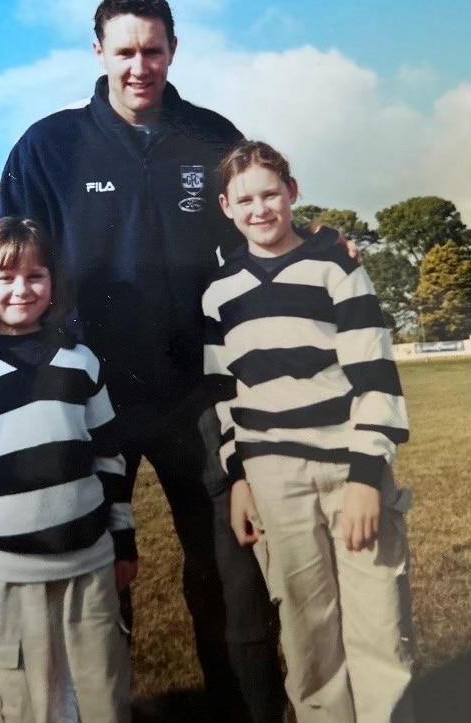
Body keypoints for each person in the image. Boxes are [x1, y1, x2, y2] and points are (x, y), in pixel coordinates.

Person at [0, 0, 288, 723]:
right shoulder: (50, 144)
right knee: (99, 578)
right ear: (97, 49)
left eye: (154, 50)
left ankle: (248, 712)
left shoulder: (212, 137)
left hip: (199, 394)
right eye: (126, 50)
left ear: (173, 50)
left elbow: (265, 234)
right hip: (86, 399)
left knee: (231, 575)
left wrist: (318, 252)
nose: (141, 66)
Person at [202, 140, 416, 723]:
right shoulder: (219, 294)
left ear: (292, 193)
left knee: (379, 629)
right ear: (225, 206)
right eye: (245, 199)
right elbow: (225, 399)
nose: (260, 208)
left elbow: (375, 376)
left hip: (349, 469)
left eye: (271, 193)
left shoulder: (336, 268)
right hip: (275, 480)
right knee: (306, 637)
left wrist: (367, 477)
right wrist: (240, 479)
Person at [0, 217, 136, 723]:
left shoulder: (81, 362)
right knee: (26, 706)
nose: (22, 289)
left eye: (35, 276)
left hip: (90, 569)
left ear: (53, 283)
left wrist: (123, 540)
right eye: (6, 277)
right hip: (5, 581)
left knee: (102, 699)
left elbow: (110, 457)